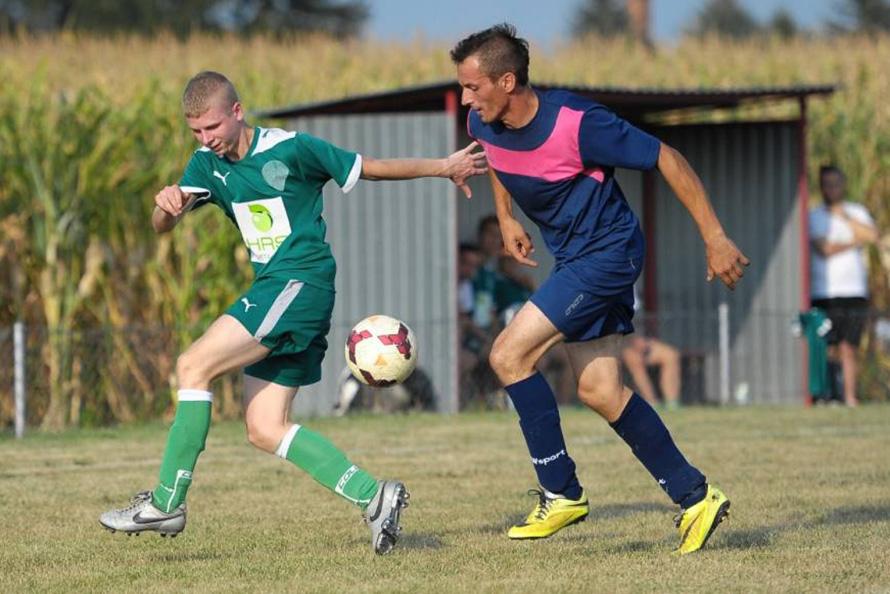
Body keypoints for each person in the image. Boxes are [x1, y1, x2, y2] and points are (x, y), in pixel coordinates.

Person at [98, 71, 487, 555]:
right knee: (264, 427)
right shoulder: (205, 165)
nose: (206, 139)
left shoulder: (293, 149)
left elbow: (371, 167)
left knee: (193, 365)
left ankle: (165, 503)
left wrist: (443, 166)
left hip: (299, 284)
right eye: (196, 131)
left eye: (213, 127)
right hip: (278, 289)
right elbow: (163, 224)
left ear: (237, 113)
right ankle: (374, 496)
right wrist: (166, 205)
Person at [451, 24, 750, 554]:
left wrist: (715, 236)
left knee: (508, 354)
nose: (465, 98)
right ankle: (695, 496)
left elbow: (667, 157)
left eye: (474, 87)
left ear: (508, 79)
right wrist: (506, 217)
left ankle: (559, 493)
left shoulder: (578, 122)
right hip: (575, 260)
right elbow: (496, 155)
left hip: (609, 255)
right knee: (599, 392)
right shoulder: (484, 119)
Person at [809, 165, 878, 407]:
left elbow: (872, 236)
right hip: (823, 291)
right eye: (826, 184)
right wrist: (853, 240)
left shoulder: (856, 211)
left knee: (850, 347)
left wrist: (845, 218)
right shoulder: (815, 216)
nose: (831, 188)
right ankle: (828, 396)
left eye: (836, 183)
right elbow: (824, 249)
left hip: (854, 291)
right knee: (827, 347)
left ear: (843, 184)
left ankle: (850, 397)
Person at [622, 284, 682, 409]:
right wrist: (632, 341)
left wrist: (640, 340)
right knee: (634, 359)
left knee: (671, 355)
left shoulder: (631, 284)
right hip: (616, 344)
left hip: (638, 340)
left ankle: (672, 403)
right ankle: (651, 403)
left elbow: (637, 322)